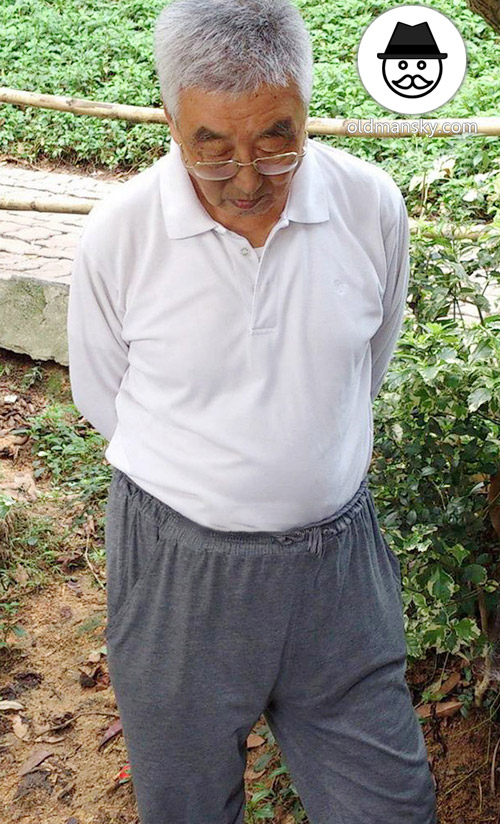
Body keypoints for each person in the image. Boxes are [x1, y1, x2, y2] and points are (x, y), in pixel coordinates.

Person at [66, 1, 437, 822]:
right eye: (212, 147)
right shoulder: (121, 235)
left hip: (339, 575)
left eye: (277, 139)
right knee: (188, 805)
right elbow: (104, 394)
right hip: (180, 579)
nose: (244, 176)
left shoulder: (370, 206)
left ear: (307, 105)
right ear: (170, 121)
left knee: (391, 807)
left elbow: (362, 368)